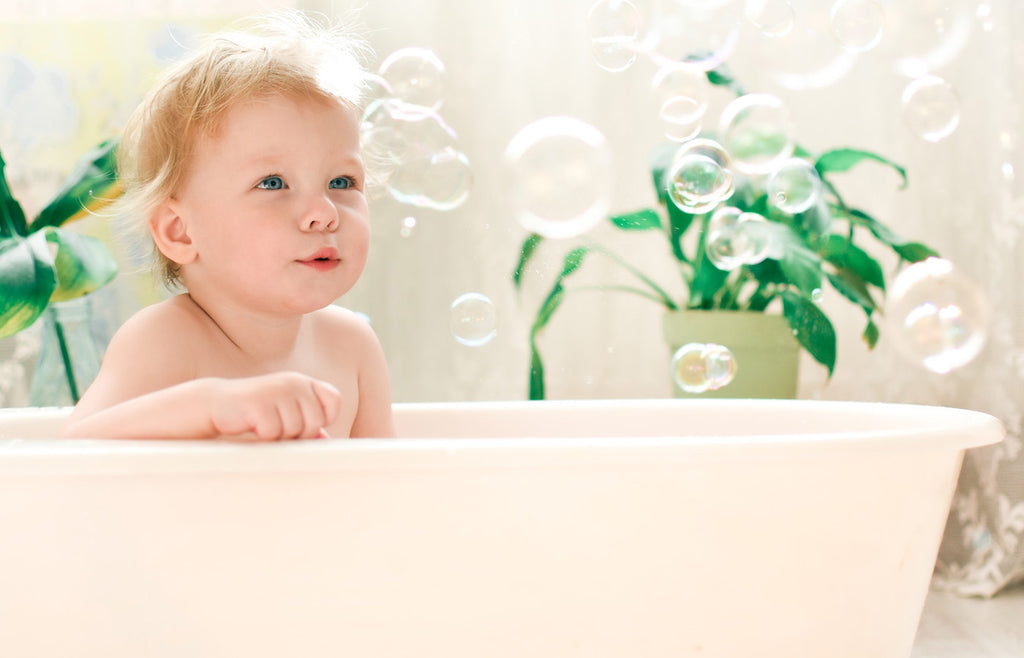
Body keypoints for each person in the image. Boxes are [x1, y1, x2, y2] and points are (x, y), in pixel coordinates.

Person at [62, 11, 395, 441]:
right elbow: (76, 450)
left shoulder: (352, 346)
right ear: (180, 231)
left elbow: (386, 488)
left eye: (341, 181)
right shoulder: (166, 339)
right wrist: (210, 406)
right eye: (273, 183)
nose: (324, 211)